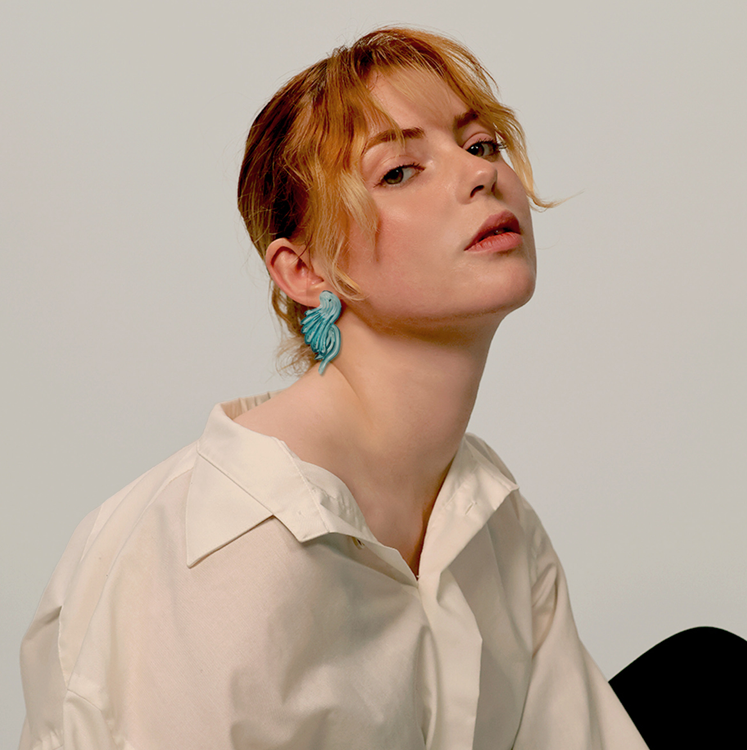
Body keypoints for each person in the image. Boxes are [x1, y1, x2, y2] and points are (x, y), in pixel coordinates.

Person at [20, 25, 707, 750]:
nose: (479, 175)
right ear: (304, 271)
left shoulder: (488, 516)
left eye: (481, 145)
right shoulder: (219, 552)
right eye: (400, 171)